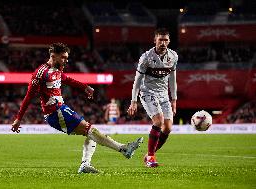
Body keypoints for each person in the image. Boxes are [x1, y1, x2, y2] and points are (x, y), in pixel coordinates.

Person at [11, 43, 143, 173]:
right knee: (91, 130)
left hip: (60, 109)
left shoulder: (58, 69)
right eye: (63, 57)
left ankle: (85, 164)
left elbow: (67, 79)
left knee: (91, 134)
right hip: (55, 113)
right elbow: (28, 97)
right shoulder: (41, 73)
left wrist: (85, 87)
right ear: (53, 55)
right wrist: (18, 119)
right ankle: (124, 149)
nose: (66, 60)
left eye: (66, 57)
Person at [127, 28, 178, 168]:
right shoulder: (146, 57)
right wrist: (133, 101)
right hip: (147, 92)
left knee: (167, 128)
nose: (163, 43)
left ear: (169, 41)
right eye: (160, 40)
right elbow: (137, 80)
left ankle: (149, 154)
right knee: (158, 121)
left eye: (165, 40)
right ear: (154, 40)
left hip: (163, 95)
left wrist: (174, 99)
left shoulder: (173, 56)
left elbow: (172, 79)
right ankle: (150, 157)